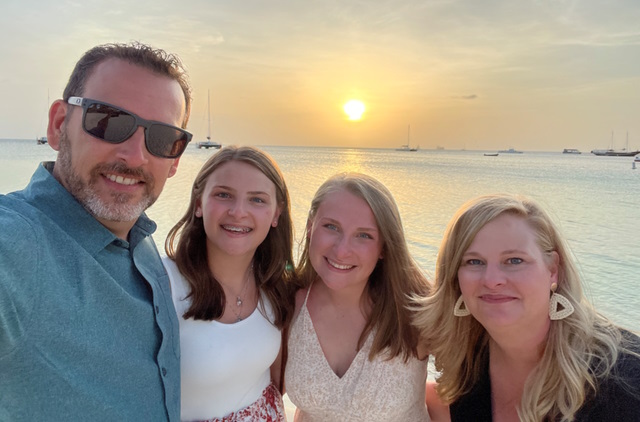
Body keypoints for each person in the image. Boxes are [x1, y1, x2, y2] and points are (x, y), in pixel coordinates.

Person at [0, 42, 192, 420]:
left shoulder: (140, 238)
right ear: (59, 125)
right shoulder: (19, 245)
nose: (135, 156)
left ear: (174, 161)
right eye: (109, 121)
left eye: (161, 139)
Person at [412, 193, 640, 422]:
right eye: (474, 261)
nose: (492, 280)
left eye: (514, 260)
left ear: (553, 269)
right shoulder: (468, 367)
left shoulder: (625, 379)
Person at [285, 172, 432, 421]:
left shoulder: (416, 313)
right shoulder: (289, 303)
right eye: (331, 226)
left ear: (384, 246)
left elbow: (471, 388)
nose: (342, 250)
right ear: (310, 226)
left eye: (364, 235)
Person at [164, 146, 295, 421]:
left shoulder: (275, 286)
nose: (238, 212)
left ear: (276, 214)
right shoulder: (164, 284)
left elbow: (275, 383)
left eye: (257, 200)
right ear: (199, 203)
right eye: (224, 195)